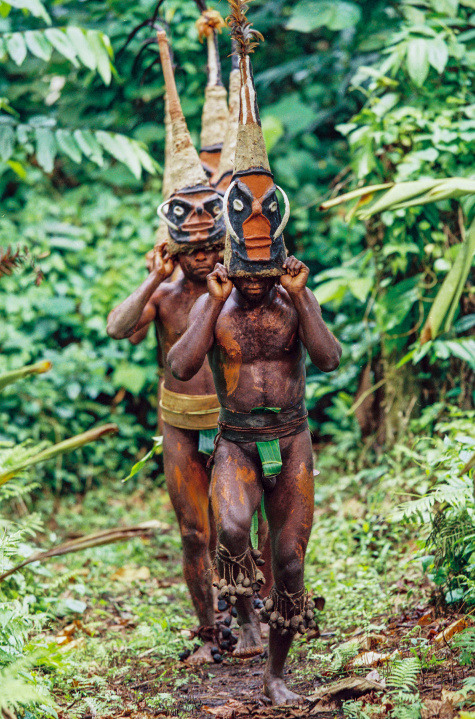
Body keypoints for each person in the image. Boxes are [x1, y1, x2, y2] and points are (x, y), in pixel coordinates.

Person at [168, 2, 342, 703]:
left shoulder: (293, 294)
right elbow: (182, 366)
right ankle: (234, 602)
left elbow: (327, 360)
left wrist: (302, 298)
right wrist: (211, 299)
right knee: (231, 524)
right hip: (236, 440)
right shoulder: (217, 300)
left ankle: (276, 674)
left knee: (292, 559)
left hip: (291, 437)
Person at [107, 30, 227, 665]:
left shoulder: (237, 285)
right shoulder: (165, 286)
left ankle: (257, 612)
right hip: (181, 422)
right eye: (194, 245)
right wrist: (155, 276)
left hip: (235, 420)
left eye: (214, 241)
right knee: (193, 531)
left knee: (243, 526)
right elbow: (118, 325)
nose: (206, 252)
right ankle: (209, 634)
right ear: (175, 241)